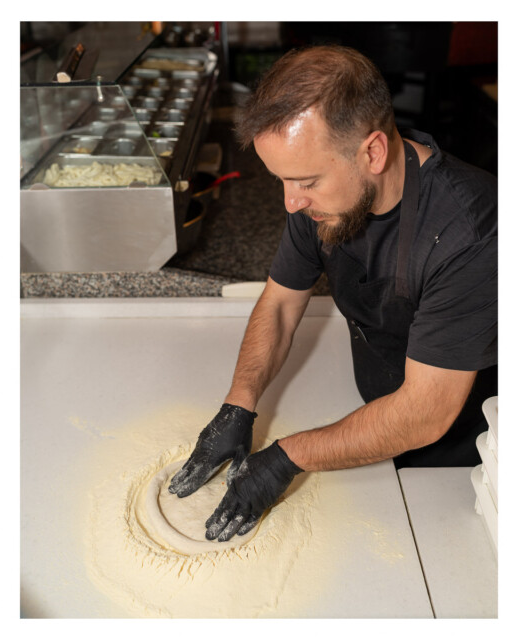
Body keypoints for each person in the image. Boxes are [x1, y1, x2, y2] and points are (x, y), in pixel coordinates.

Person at [169, 45, 497, 542]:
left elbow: (426, 413)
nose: (290, 201)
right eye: (281, 180)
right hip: (373, 416)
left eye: (305, 181)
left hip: (461, 457)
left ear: (373, 152)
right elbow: (280, 305)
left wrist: (287, 457)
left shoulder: (471, 233)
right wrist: (240, 403)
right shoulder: (320, 203)